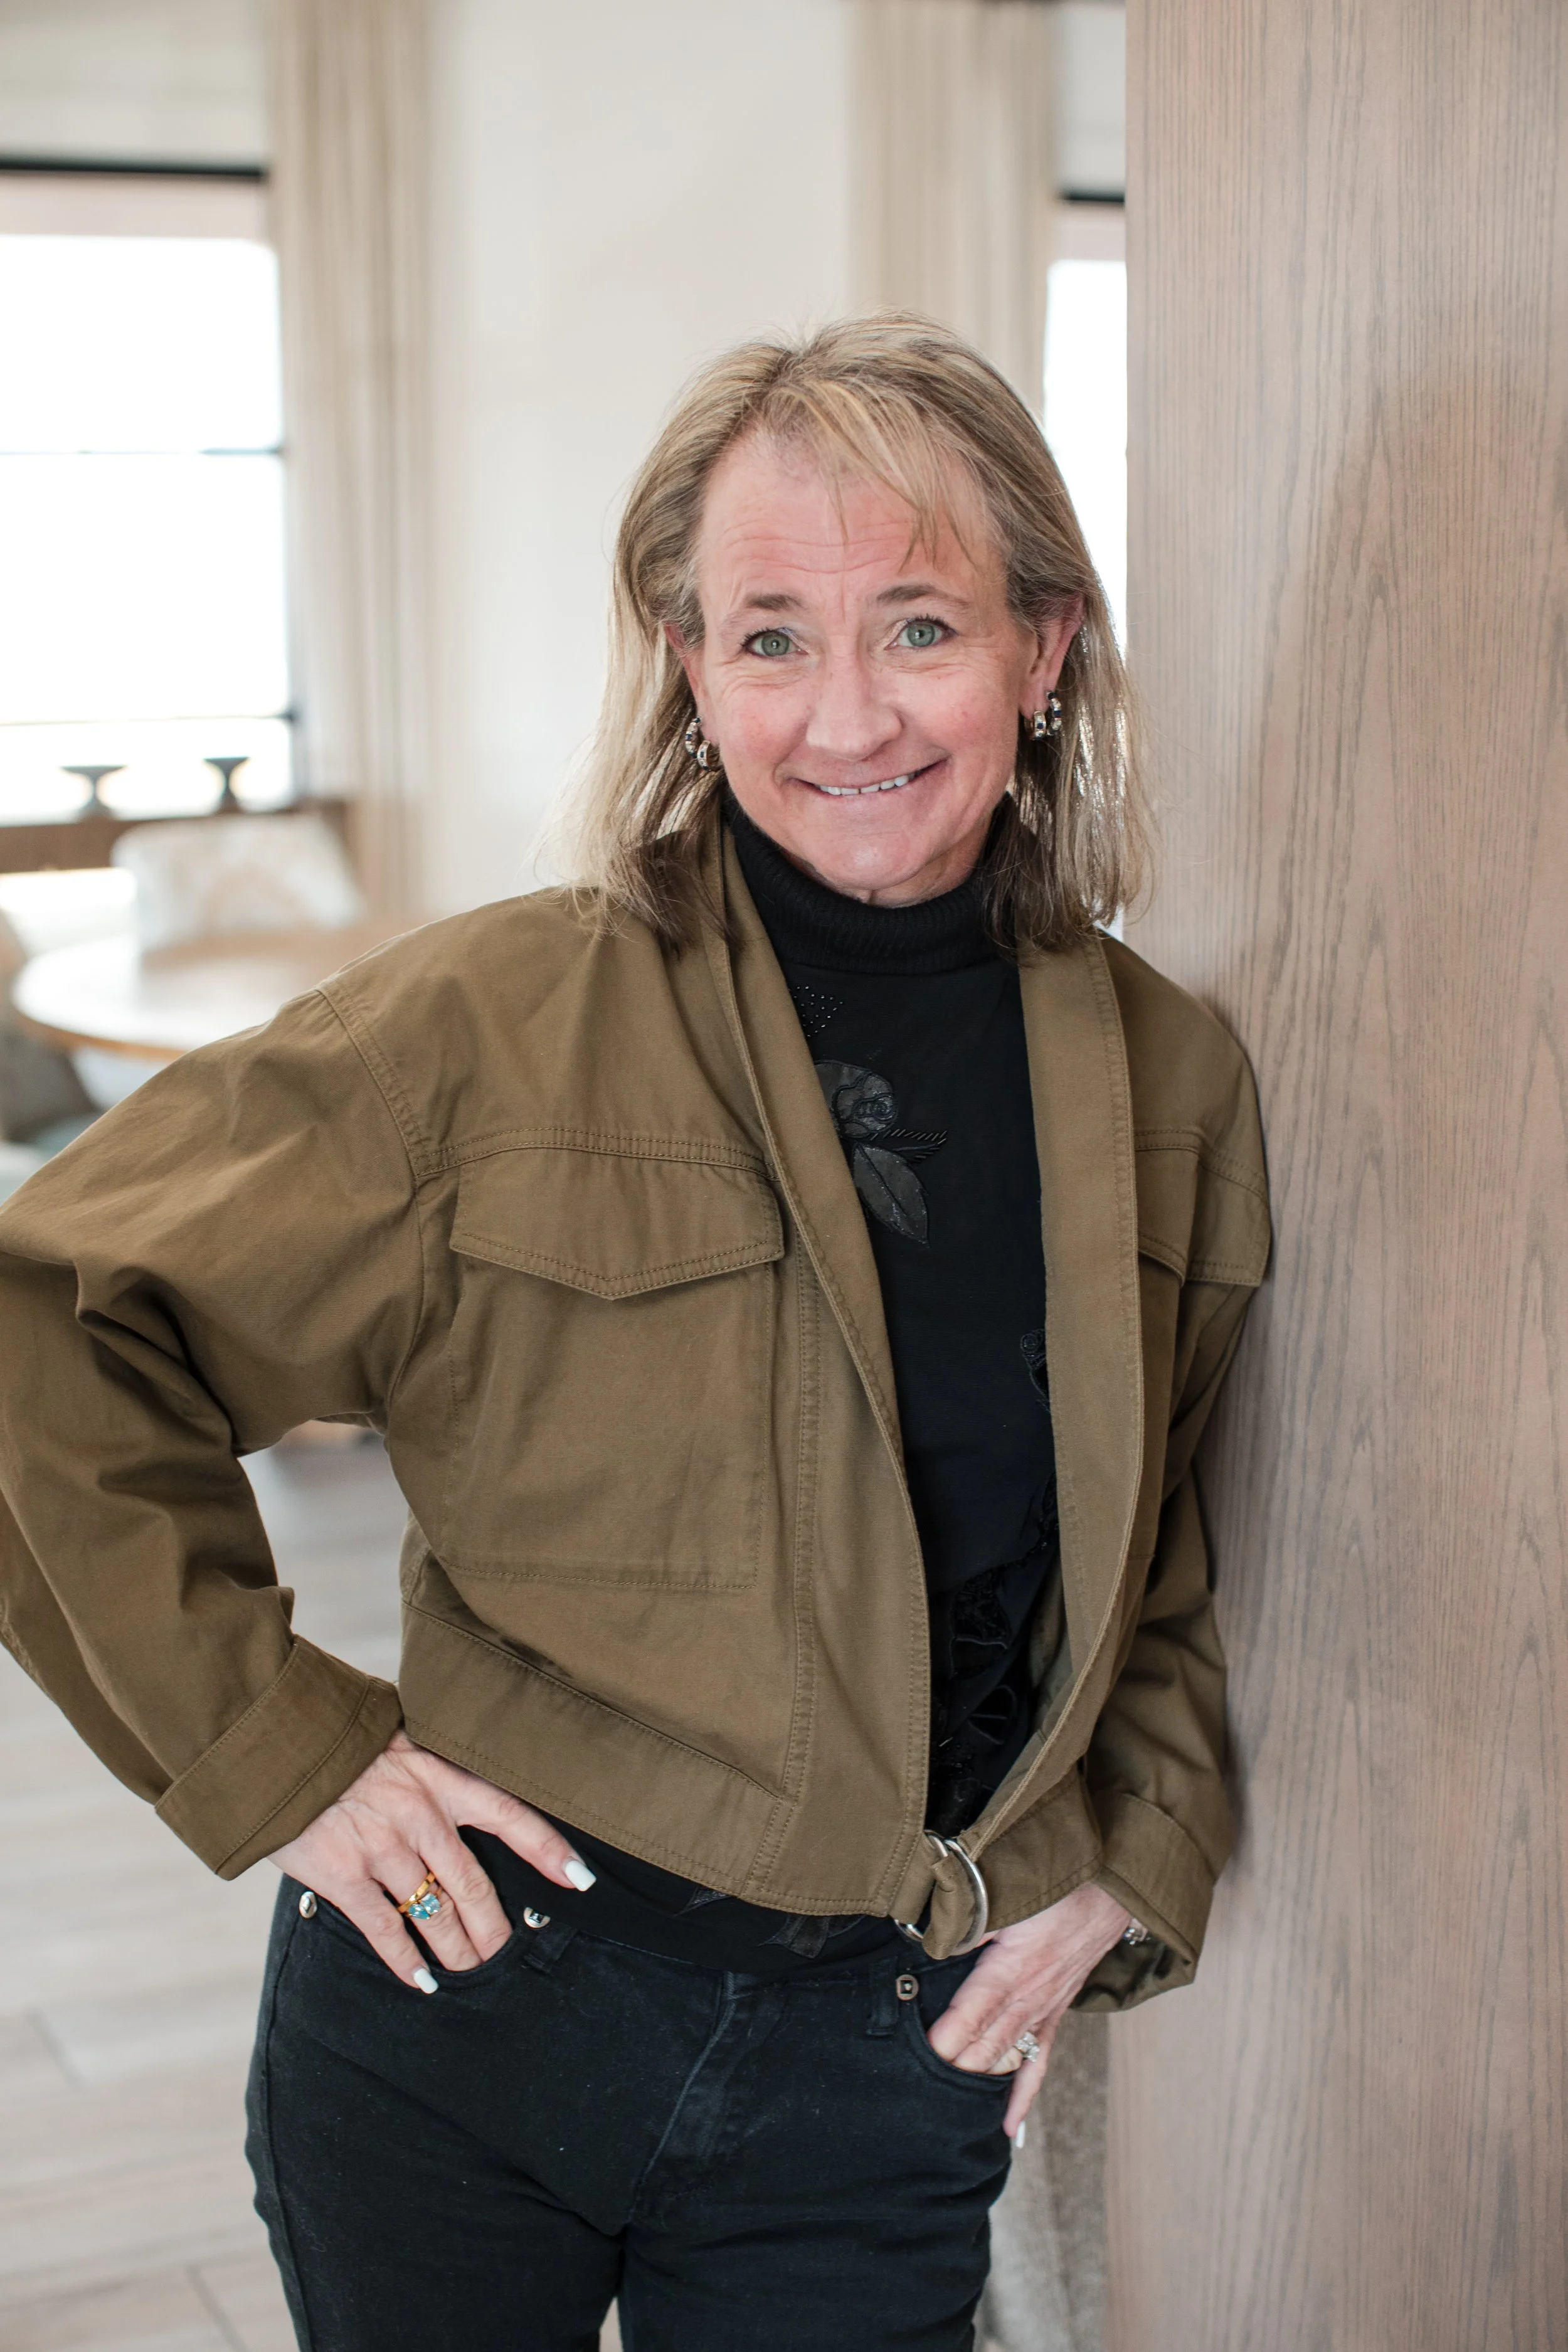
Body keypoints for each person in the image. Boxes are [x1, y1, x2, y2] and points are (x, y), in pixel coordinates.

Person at [0, 315, 1269, 2352]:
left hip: (881, 2058)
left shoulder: (1171, 1084)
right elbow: (49, 1324)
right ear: (687, 663)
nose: (843, 711)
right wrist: (283, 1754)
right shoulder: (482, 1028)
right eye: (768, 635)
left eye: (917, 624)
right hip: (467, 2004)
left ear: (1044, 651)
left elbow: (1166, 1563)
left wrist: (1132, 1851)